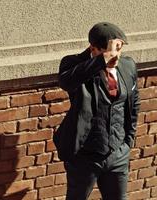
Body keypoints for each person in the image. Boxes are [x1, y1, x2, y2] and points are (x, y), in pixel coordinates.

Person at [53, 22, 140, 200]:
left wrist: (128, 140)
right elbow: (66, 82)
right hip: (85, 156)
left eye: (119, 49)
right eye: (110, 51)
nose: (116, 56)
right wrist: (101, 61)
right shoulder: (74, 64)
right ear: (93, 48)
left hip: (117, 154)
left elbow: (134, 102)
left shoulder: (128, 66)